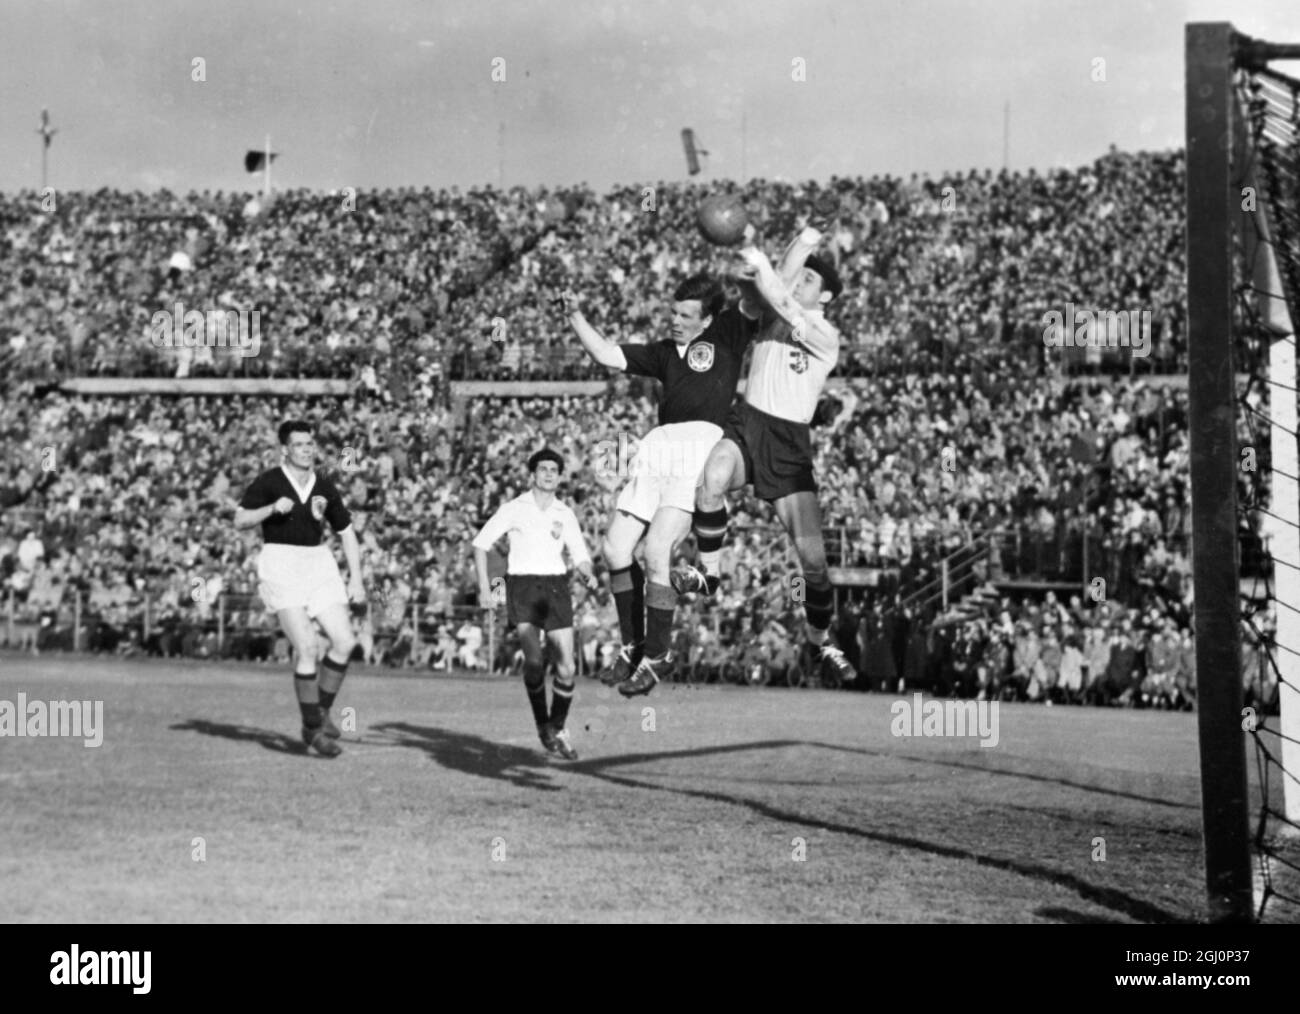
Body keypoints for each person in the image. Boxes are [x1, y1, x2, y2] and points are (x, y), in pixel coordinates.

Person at [667, 212, 856, 693]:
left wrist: (754, 250)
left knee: (813, 562)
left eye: (813, 279)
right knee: (710, 481)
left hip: (789, 443)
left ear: (827, 296)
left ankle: (820, 638)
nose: (802, 281)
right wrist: (805, 238)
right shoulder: (776, 309)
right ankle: (708, 574)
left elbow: (780, 292)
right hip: (748, 423)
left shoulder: (824, 336)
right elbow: (784, 274)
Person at [560, 274, 756, 697]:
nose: (676, 320)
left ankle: (659, 653)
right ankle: (632, 646)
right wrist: (575, 315)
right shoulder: (663, 353)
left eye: (687, 315)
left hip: (699, 447)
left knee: (655, 551)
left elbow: (756, 302)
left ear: (707, 319)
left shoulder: (727, 336)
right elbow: (607, 354)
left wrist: (755, 267)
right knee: (614, 549)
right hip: (658, 446)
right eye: (674, 311)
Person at [234, 420, 363, 758]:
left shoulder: (324, 484)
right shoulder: (269, 482)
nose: (307, 449)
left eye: (310, 443)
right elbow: (240, 519)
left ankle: (318, 713)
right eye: (299, 444)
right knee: (307, 648)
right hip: (281, 564)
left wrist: (357, 579)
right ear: (285, 450)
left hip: (318, 563)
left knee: (345, 641)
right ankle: (312, 731)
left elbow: (346, 532)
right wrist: (271, 509)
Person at [472, 448, 598, 760]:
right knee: (533, 662)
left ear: (559, 476)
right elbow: (480, 544)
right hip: (523, 586)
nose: (549, 474)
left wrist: (586, 572)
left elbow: (580, 555)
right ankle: (544, 724)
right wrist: (485, 587)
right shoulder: (515, 508)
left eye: (554, 469)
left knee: (567, 667)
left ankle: (555, 727)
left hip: (555, 587)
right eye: (543, 469)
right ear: (533, 475)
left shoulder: (564, 513)